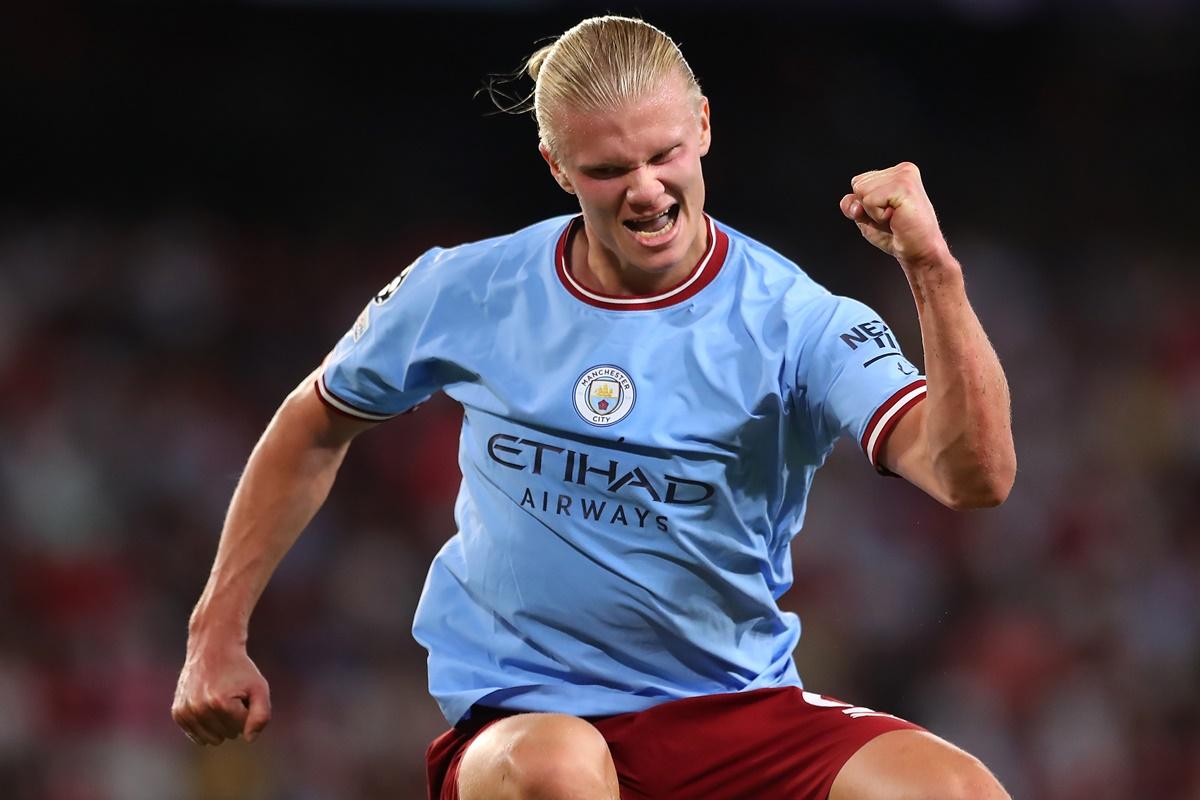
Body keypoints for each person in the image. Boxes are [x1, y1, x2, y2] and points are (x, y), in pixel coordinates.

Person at [172, 15, 1017, 800]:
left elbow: (972, 478)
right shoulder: (468, 287)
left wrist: (934, 274)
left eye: (664, 155)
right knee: (562, 769)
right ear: (555, 165)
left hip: (732, 708)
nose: (645, 190)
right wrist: (217, 632)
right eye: (608, 170)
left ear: (706, 129)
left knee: (956, 791)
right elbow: (316, 419)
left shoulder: (797, 321)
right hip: (524, 717)